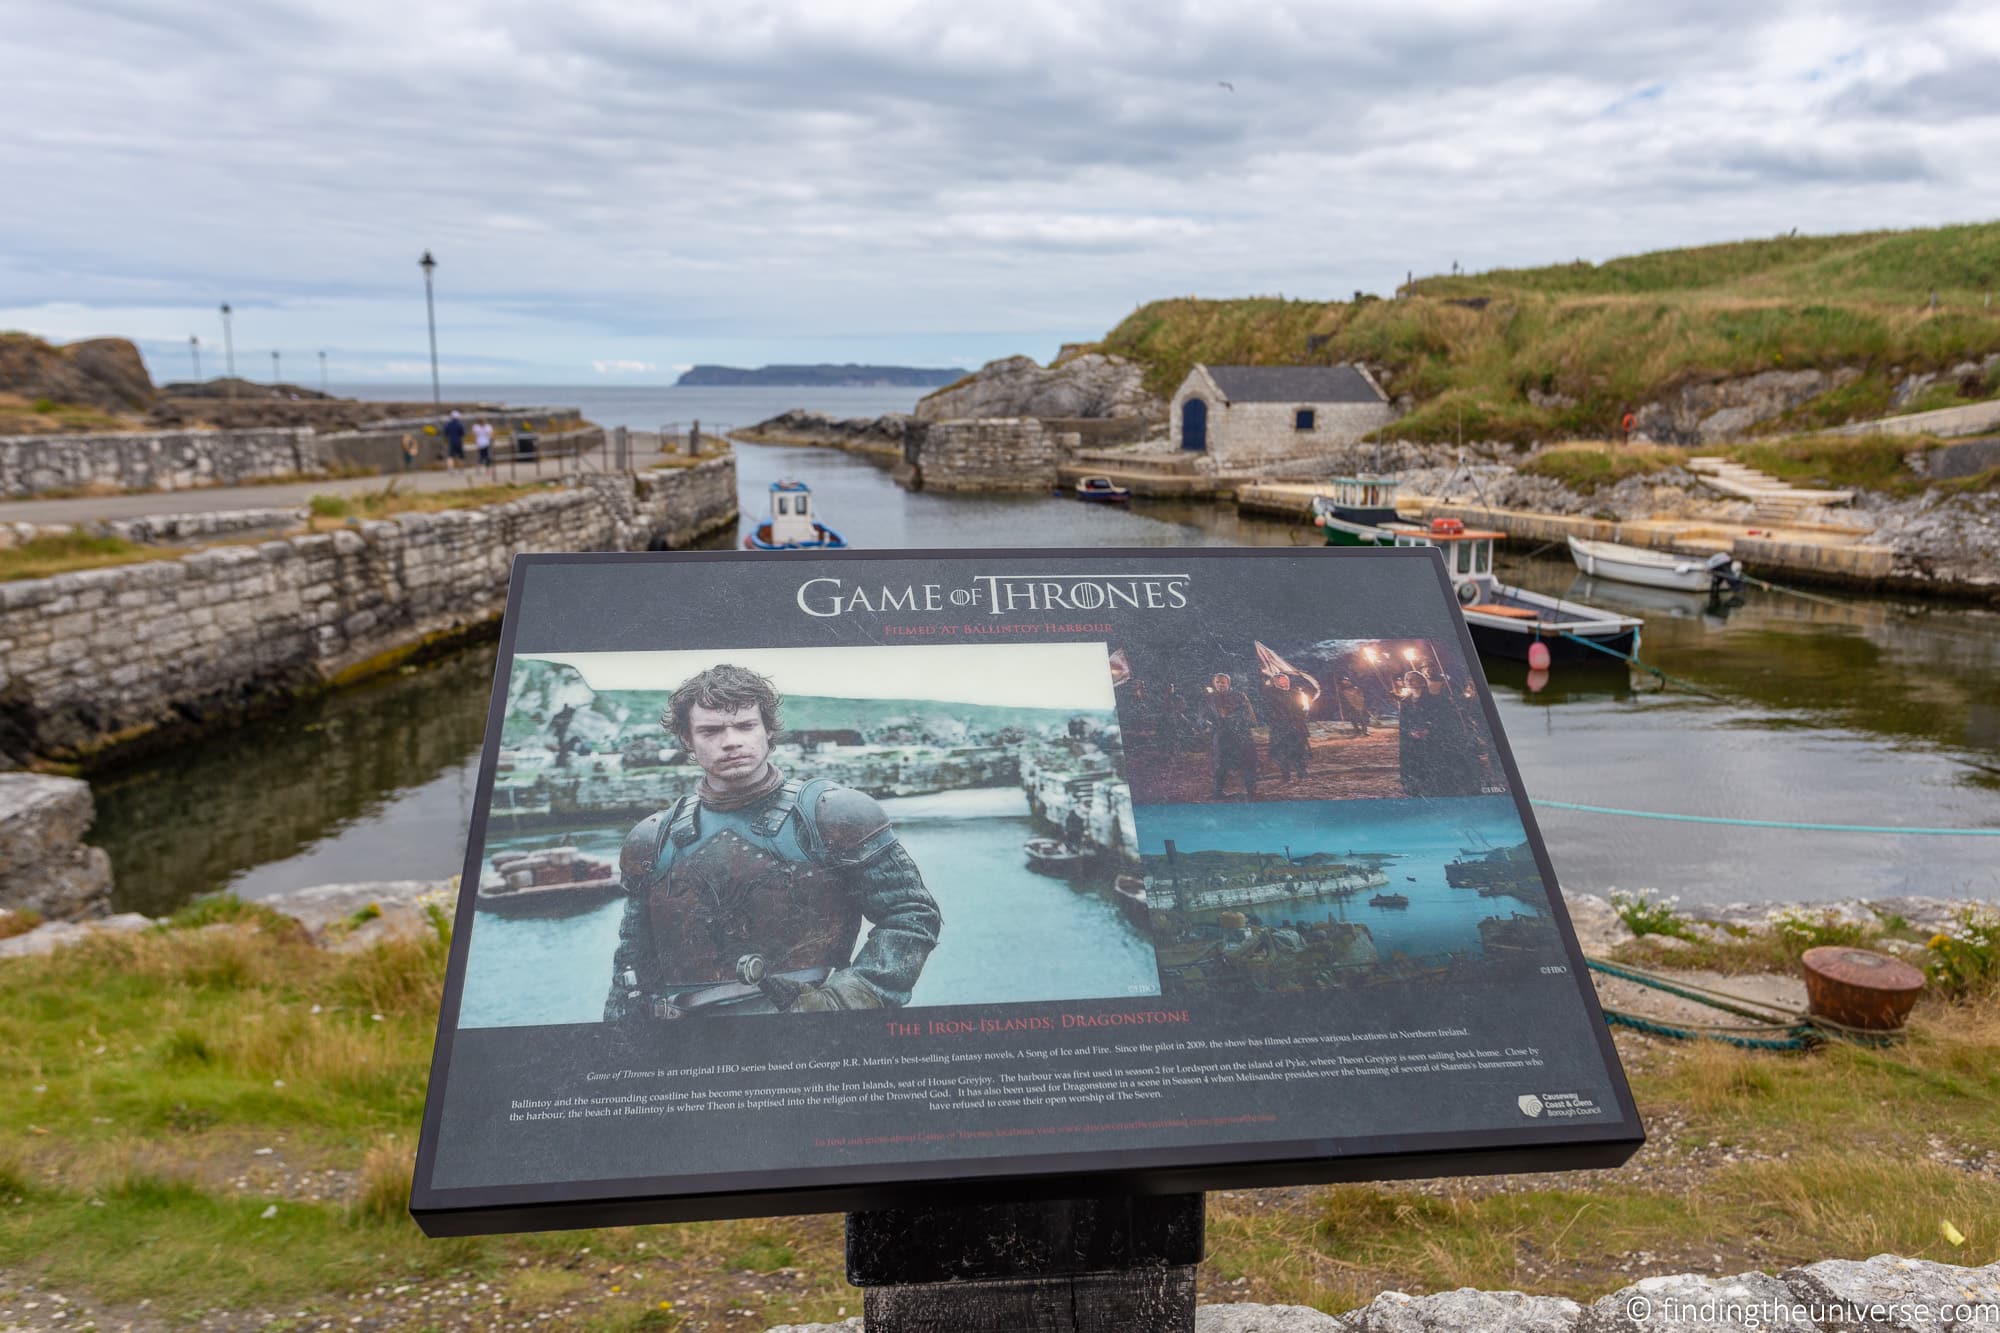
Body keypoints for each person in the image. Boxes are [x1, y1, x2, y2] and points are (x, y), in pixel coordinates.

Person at [605, 664, 941, 1021]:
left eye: (746, 726)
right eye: (711, 730)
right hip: (690, 1040)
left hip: (809, 1027)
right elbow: (633, 962)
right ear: (688, 740)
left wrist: (850, 998)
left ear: (767, 730)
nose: (731, 740)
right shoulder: (653, 839)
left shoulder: (834, 814)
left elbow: (911, 914)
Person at [1200, 672, 1259, 798]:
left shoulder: (1239, 696)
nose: (1220, 684)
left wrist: (1231, 719)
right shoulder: (1209, 698)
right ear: (1214, 683)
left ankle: (1251, 790)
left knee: (1247, 762)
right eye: (1218, 682)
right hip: (1221, 735)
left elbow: (1248, 714)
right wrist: (1207, 723)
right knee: (1220, 764)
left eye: (1223, 682)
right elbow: (1202, 716)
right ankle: (1218, 791)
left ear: (1228, 683)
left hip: (1241, 735)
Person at [1259, 672, 1314, 783]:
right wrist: (1280, 719)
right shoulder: (1271, 695)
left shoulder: (1296, 693)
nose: (1285, 682)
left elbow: (1303, 708)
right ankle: (1285, 775)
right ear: (1276, 682)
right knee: (1282, 753)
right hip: (1281, 728)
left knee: (1299, 751)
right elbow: (1269, 711)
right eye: (1282, 680)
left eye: (1286, 680)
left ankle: (1302, 773)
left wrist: (1301, 715)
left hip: (1296, 726)